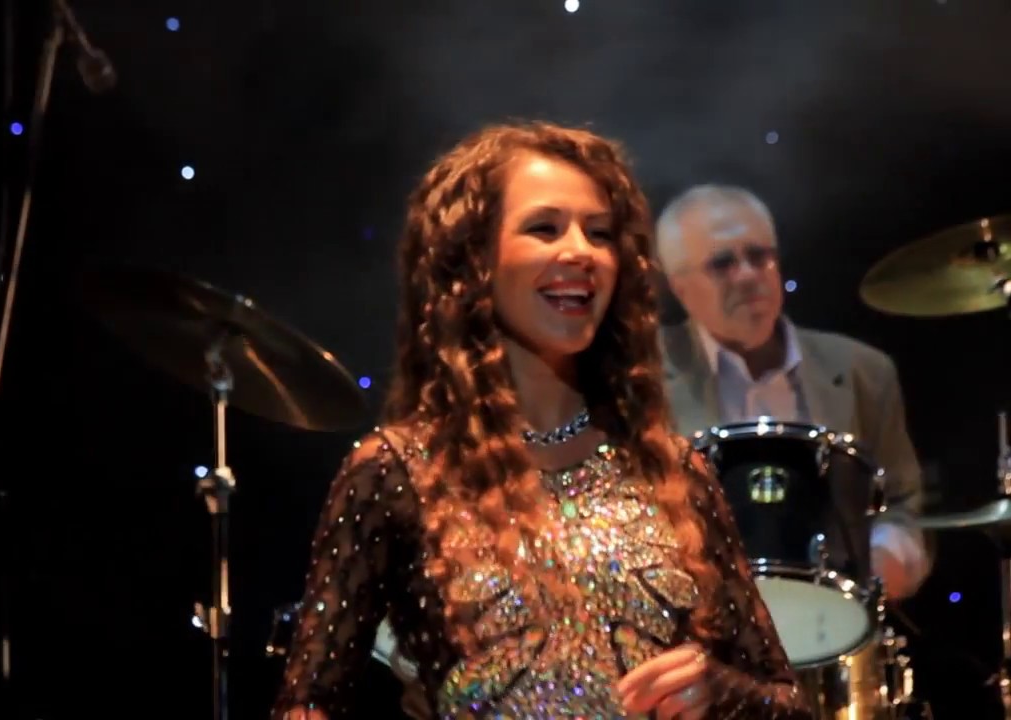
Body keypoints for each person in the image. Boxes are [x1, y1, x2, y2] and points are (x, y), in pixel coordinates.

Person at [271, 121, 813, 719]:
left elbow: (790, 705)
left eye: (600, 233)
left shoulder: (674, 472)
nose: (581, 252)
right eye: (544, 228)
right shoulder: (397, 471)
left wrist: (719, 692)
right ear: (473, 258)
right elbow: (309, 703)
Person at [652, 184, 931, 601]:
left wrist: (887, 554)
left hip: (833, 622)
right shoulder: (643, 376)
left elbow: (902, 503)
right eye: (723, 263)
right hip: (699, 621)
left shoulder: (863, 371)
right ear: (679, 287)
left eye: (760, 256)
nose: (748, 275)